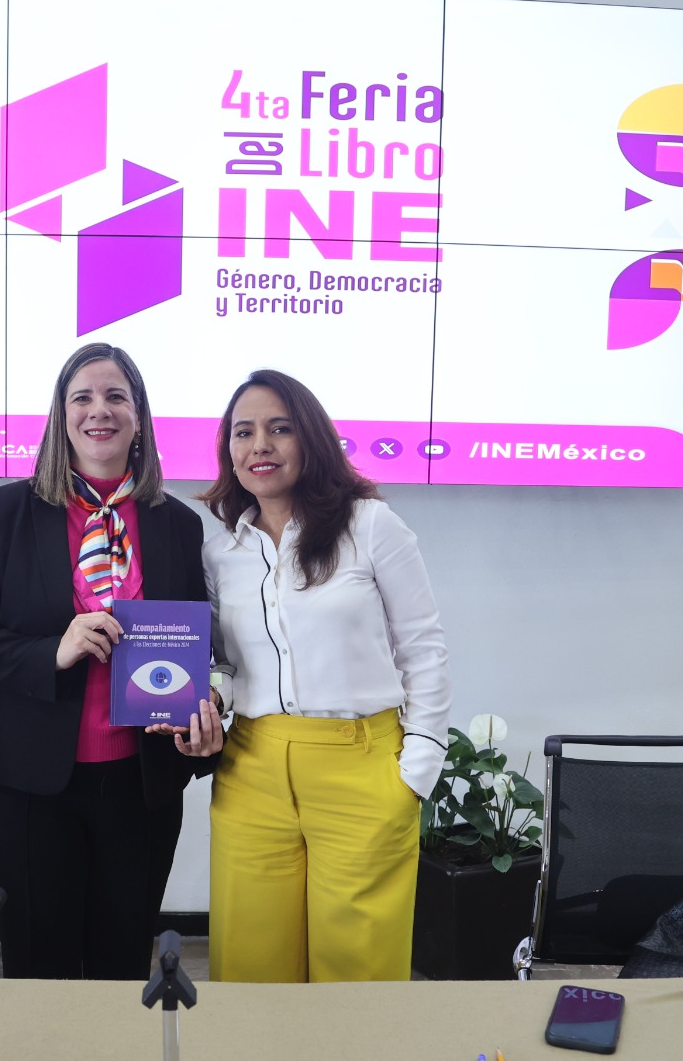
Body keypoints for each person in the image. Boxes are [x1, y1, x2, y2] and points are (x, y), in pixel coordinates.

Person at [0, 342, 221, 980]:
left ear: (140, 416)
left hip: (140, 788)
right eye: (83, 397)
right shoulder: (6, 513)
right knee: (41, 966)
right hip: (31, 788)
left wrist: (203, 713)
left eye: (117, 396)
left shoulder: (177, 524)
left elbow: (197, 646)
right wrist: (51, 651)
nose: (101, 411)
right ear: (60, 416)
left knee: (121, 965)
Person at [199, 369, 452, 982]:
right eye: (243, 432)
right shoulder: (221, 553)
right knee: (252, 969)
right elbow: (226, 661)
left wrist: (415, 772)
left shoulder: (370, 526)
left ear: (310, 439)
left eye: (279, 429)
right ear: (228, 452)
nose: (260, 445)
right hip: (252, 770)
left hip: (362, 768)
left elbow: (423, 648)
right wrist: (209, 691)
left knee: (356, 975)